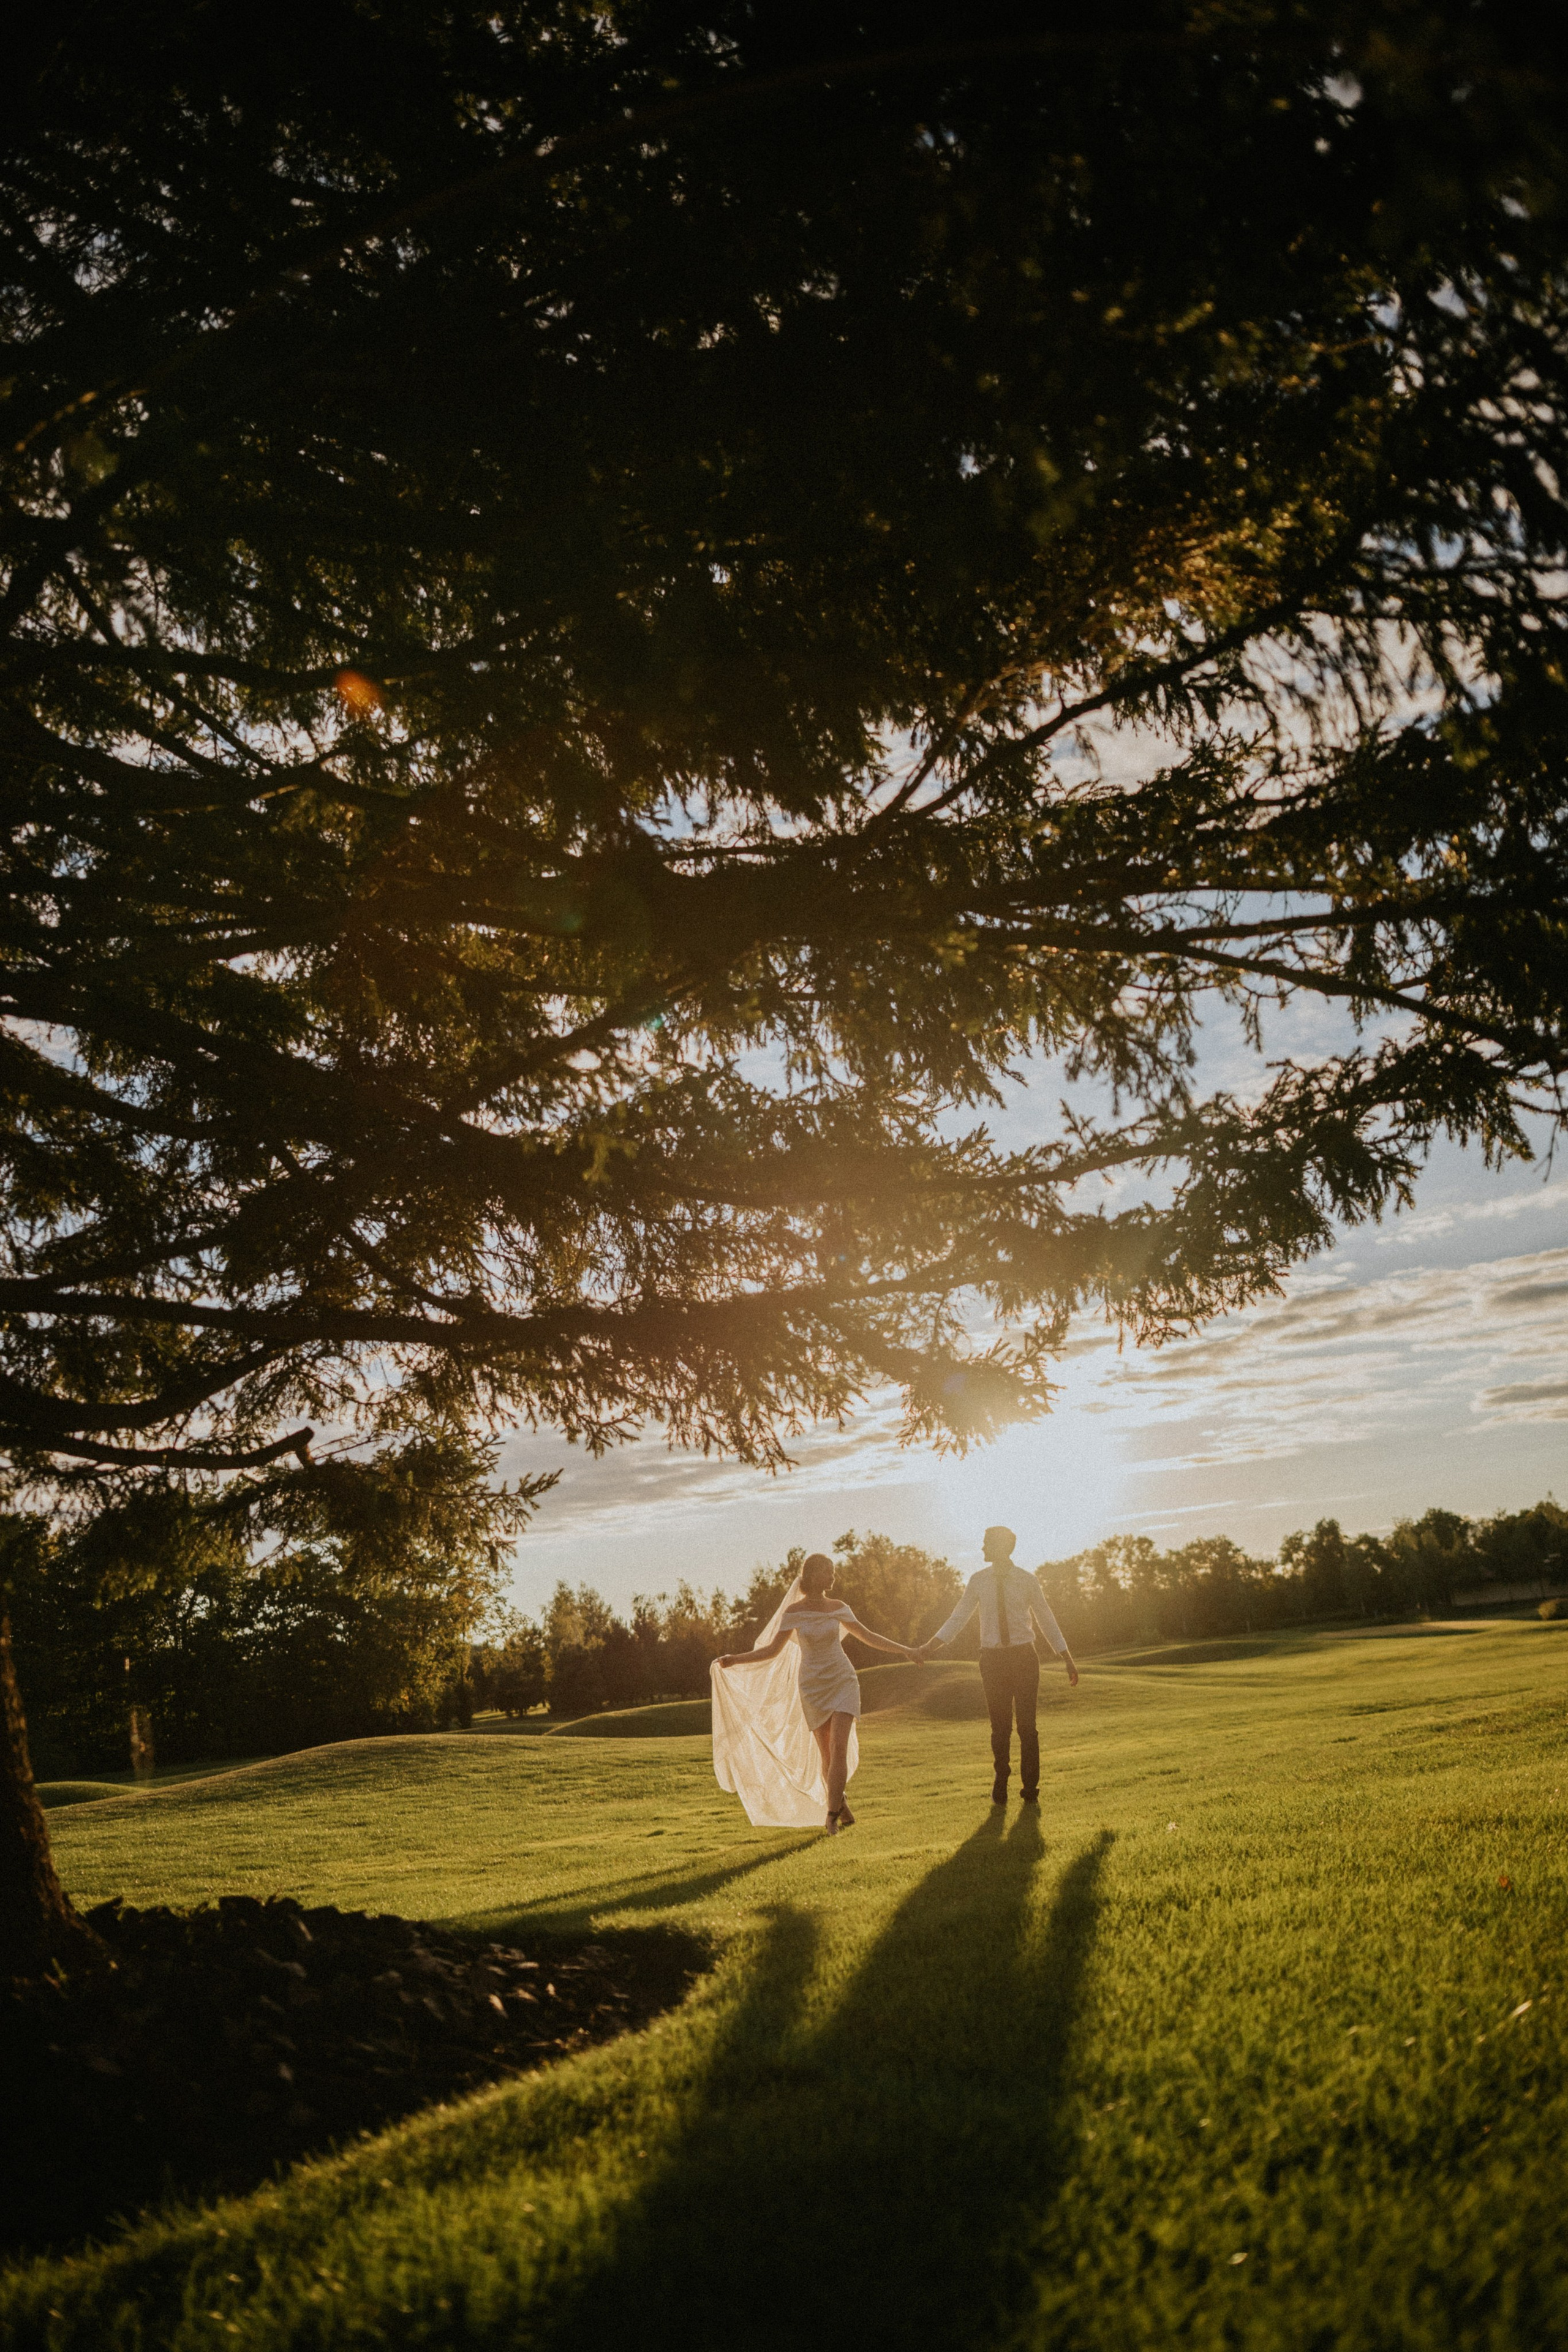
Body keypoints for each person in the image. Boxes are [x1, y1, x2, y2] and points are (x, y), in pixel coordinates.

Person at [713, 1552, 920, 1832]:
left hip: (842, 1680)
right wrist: (736, 1659)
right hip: (812, 1685)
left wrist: (905, 1650)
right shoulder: (794, 1613)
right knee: (826, 1757)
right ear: (811, 1576)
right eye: (828, 1571)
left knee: (839, 1749)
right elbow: (772, 1651)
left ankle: (831, 1814)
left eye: (833, 1572)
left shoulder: (838, 1607)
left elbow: (868, 1636)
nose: (833, 1576)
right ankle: (842, 1806)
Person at [917, 1525, 1079, 1805]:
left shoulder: (1027, 1580)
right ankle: (1001, 1776)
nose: (982, 1548)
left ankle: (1031, 1790)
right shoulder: (978, 1581)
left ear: (1002, 1547)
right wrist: (928, 1648)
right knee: (1000, 1727)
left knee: (1028, 1727)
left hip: (1024, 1658)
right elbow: (958, 1618)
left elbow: (1046, 1618)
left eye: (986, 1543)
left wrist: (1067, 1657)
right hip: (992, 1661)